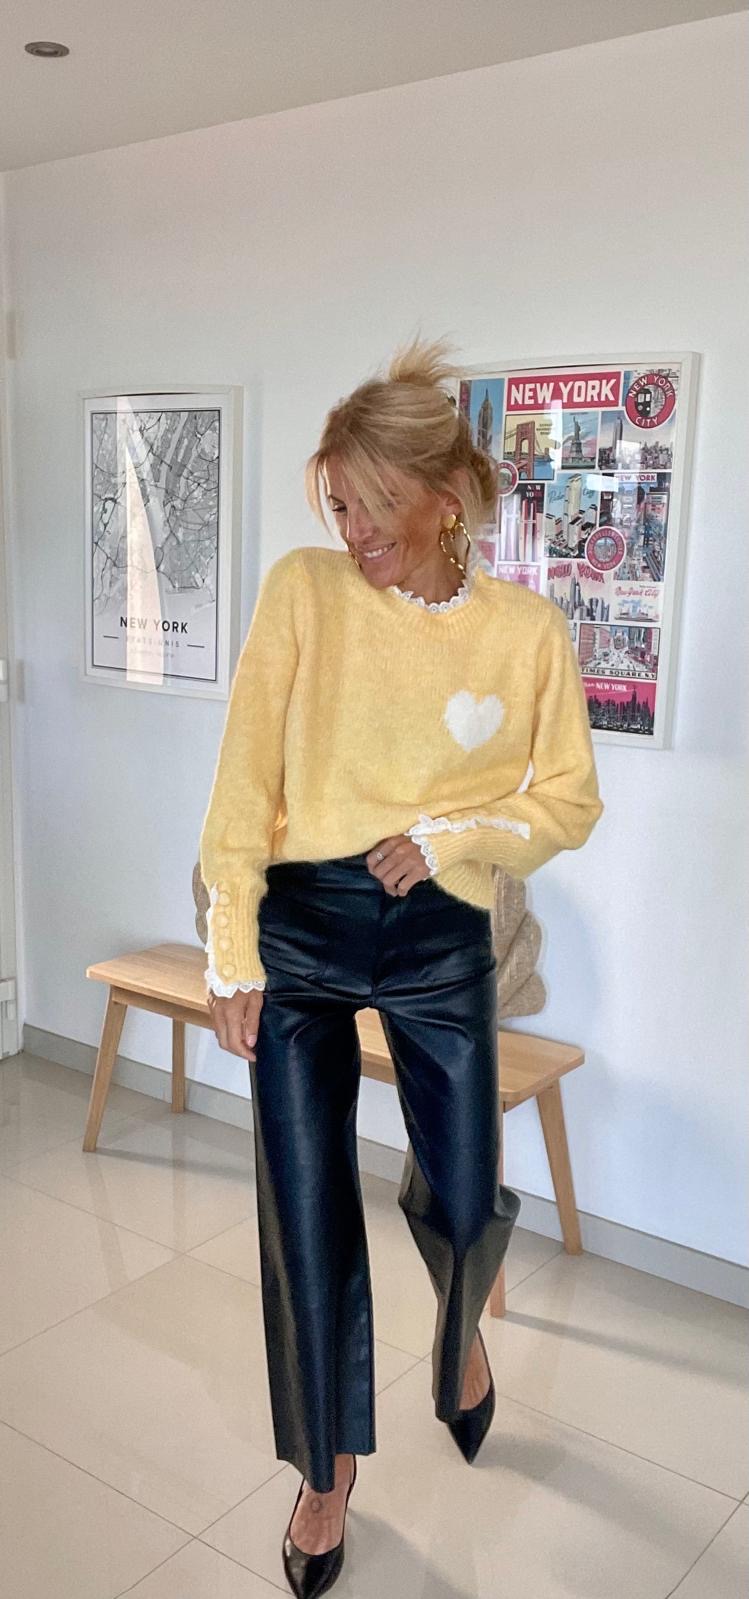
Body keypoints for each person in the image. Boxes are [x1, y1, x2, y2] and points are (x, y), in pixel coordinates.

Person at [200, 338, 604, 1598]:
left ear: (444, 496)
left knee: (469, 1191)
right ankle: (323, 1472)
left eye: (374, 506)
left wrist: (447, 838)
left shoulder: (526, 633)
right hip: (302, 928)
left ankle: (459, 1332)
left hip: (438, 932)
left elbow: (567, 801)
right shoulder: (304, 593)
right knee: (304, 1207)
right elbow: (242, 779)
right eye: (338, 506)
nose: (354, 532)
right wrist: (230, 945)